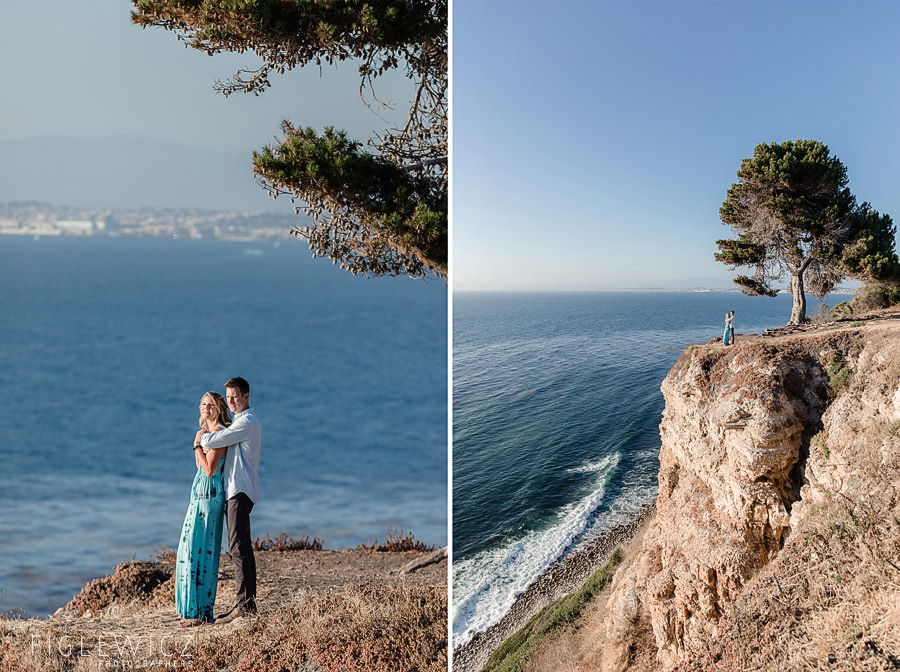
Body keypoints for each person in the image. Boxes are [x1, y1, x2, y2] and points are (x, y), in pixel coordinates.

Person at [195, 377, 261, 623]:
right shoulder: (239, 422)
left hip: (239, 490)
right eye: (229, 397)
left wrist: (199, 439)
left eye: (235, 396)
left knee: (238, 548)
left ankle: (244, 606)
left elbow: (214, 440)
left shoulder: (246, 422)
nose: (232, 401)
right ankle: (248, 604)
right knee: (243, 547)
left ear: (246, 396)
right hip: (239, 490)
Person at [175, 392, 230, 626]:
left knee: (201, 550)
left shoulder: (218, 434)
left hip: (209, 493)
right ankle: (191, 610)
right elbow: (200, 466)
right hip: (199, 491)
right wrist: (199, 442)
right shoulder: (206, 434)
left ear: (219, 409)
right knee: (189, 548)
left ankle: (199, 613)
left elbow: (209, 469)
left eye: (211, 405)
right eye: (203, 404)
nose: (206, 408)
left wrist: (197, 445)